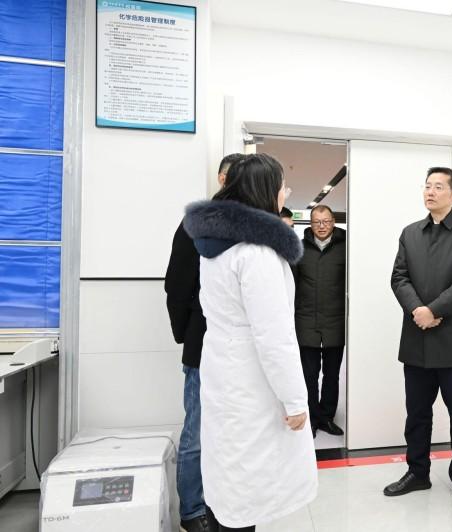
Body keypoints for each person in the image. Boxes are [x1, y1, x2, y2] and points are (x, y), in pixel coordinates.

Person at [182, 154, 317, 532]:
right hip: (251, 379)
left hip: (223, 370)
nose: (285, 192)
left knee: (228, 473)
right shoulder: (257, 253)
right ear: (265, 191)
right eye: (282, 185)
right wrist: (295, 400)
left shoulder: (215, 247)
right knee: (246, 482)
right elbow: (274, 337)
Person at [384, 167, 452, 513]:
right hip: (416, 340)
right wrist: (418, 310)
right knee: (417, 414)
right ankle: (418, 473)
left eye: (438, 187)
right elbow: (399, 277)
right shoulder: (410, 233)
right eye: (427, 186)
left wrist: (434, 310)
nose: (430, 192)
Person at [165, 153, 244, 532]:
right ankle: (192, 511)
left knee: (232, 432)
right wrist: (189, 335)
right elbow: (177, 285)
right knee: (197, 431)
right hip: (203, 345)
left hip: (238, 351)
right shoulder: (195, 223)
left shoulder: (249, 226)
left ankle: (222, 501)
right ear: (222, 179)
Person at [294, 204, 346, 438]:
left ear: (333, 222)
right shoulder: (299, 248)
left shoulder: (346, 248)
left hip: (336, 321)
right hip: (306, 321)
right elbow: (292, 286)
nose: (322, 226)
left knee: (332, 375)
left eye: (326, 221)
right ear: (310, 224)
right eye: (317, 222)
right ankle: (312, 418)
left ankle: (327, 417)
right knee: (309, 374)